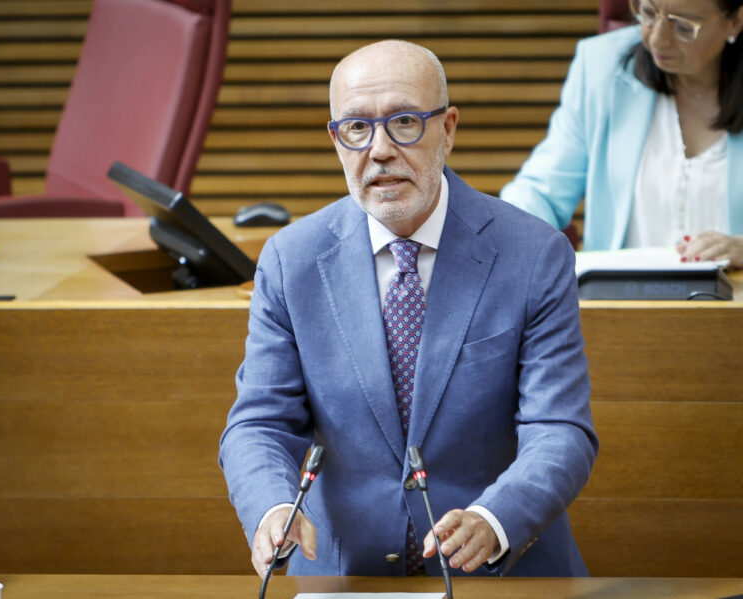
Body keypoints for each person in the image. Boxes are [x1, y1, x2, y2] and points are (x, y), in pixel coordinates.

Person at [219, 39, 598, 579]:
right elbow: (259, 422)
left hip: (500, 571)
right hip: (346, 573)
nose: (379, 150)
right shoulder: (291, 260)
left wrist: (495, 518)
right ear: (336, 140)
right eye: (356, 127)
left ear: (448, 129)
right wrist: (273, 507)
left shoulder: (533, 254)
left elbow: (559, 427)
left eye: (404, 123)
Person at [500, 0, 743, 268]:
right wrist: (508, 232)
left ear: (735, 21)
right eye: (648, 13)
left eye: (683, 26)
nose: (657, 39)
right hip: (620, 292)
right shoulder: (601, 67)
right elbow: (540, 191)